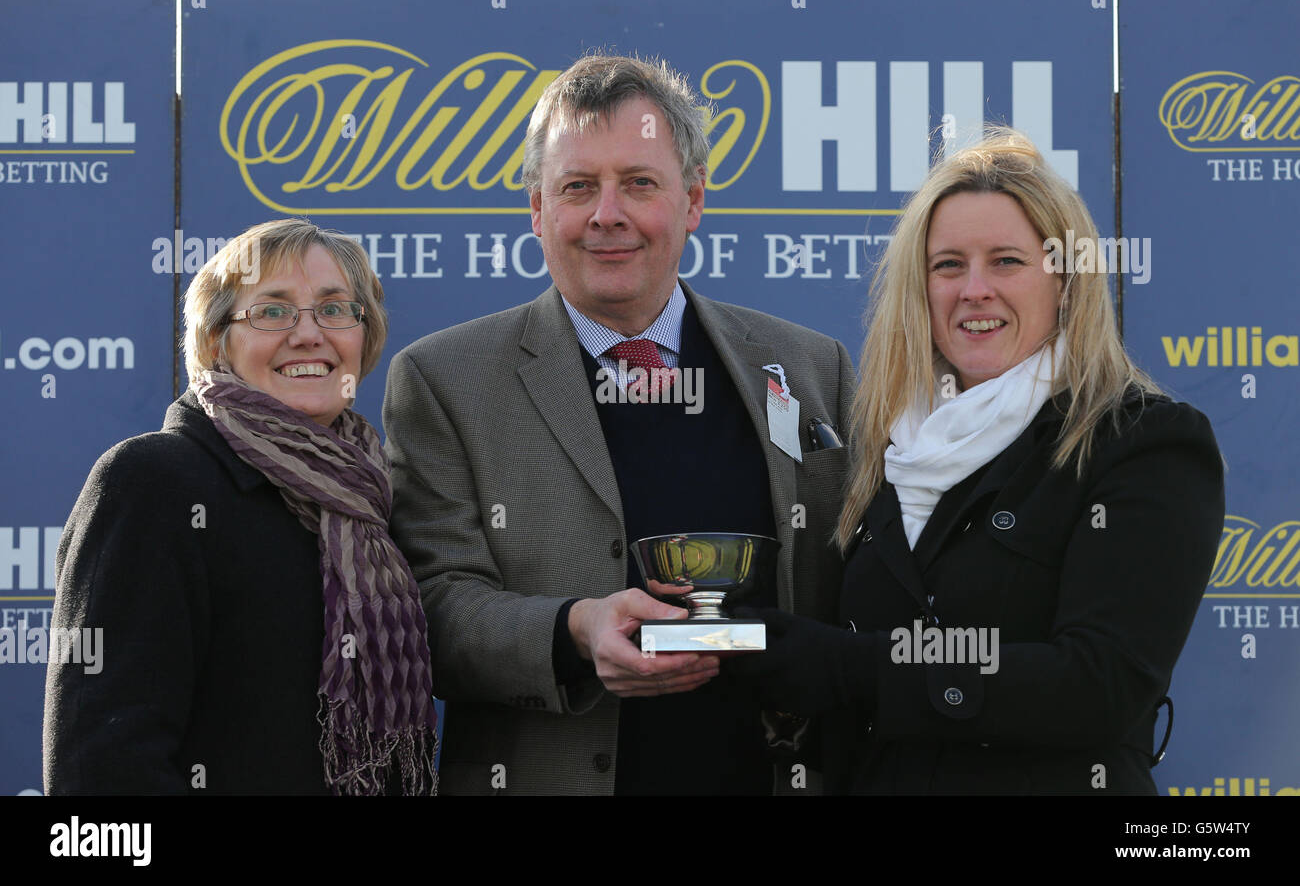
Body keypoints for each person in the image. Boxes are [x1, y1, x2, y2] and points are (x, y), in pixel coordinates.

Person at [383, 53, 856, 795]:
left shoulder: (809, 366)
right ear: (538, 210)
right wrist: (573, 629)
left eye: (640, 183)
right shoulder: (445, 381)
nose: (609, 214)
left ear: (693, 201)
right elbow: (431, 614)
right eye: (578, 187)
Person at [731, 128, 1225, 794]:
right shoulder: (885, 447)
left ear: (1066, 281)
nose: (974, 289)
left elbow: (1100, 684)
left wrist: (852, 668)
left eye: (1007, 261)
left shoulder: (1144, 442)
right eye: (948, 265)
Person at [43, 218, 438, 795]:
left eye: (334, 309)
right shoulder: (153, 483)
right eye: (272, 312)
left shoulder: (371, 498)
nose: (309, 335)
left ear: (364, 335)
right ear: (215, 343)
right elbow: (99, 770)